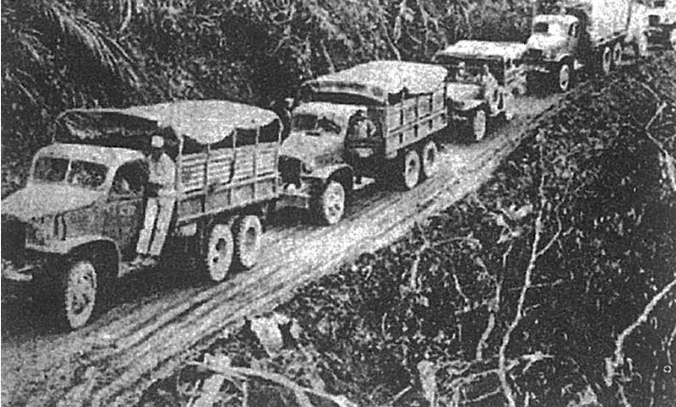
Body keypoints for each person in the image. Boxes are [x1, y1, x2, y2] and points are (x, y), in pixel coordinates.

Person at [133, 135, 176, 267]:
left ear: (162, 149)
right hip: (153, 195)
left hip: (166, 196)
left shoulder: (168, 162)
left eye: (157, 149)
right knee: (147, 225)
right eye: (153, 149)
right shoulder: (151, 159)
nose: (155, 152)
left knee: (160, 227)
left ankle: (154, 255)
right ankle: (141, 253)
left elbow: (168, 180)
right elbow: (148, 174)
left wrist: (151, 181)